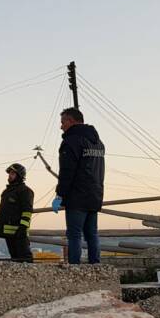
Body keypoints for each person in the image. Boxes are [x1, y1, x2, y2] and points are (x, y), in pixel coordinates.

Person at [52, 107, 105, 265]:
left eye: (63, 122)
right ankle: (96, 267)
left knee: (74, 235)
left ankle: (75, 269)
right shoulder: (97, 142)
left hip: (77, 196)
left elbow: (67, 171)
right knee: (92, 234)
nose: (61, 126)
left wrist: (59, 194)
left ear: (71, 121)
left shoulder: (71, 141)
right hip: (94, 195)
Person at [0, 163, 34, 260]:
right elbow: (1, 212)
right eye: (9, 173)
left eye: (12, 173)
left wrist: (23, 228)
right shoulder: (6, 192)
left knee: (25, 260)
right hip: (8, 233)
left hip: (19, 233)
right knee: (14, 259)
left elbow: (27, 211)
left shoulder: (25, 191)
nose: (9, 176)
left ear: (19, 175)